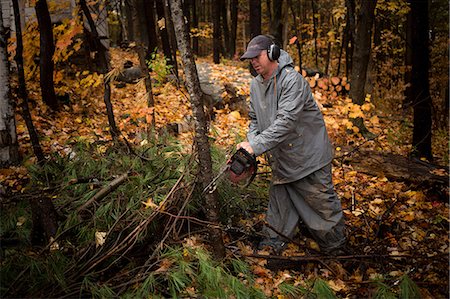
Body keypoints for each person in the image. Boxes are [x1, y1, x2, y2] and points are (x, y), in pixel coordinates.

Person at [237, 35, 346, 255]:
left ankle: (340, 254)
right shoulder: (256, 85)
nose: (254, 63)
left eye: (257, 57)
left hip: (308, 159)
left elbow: (286, 123)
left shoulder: (292, 81)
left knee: (322, 209)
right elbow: (254, 119)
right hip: (282, 161)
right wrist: (251, 144)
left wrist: (256, 145)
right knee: (279, 213)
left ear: (272, 53)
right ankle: (271, 250)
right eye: (250, 59)